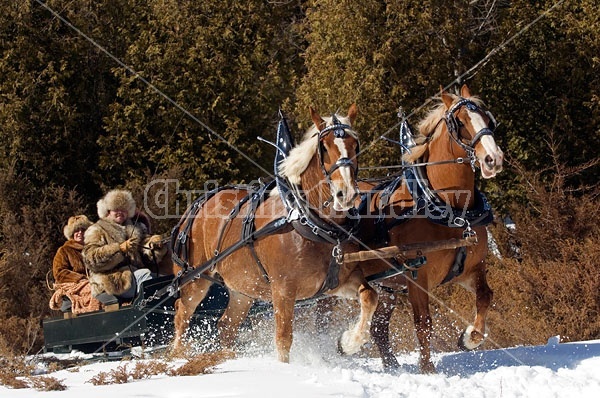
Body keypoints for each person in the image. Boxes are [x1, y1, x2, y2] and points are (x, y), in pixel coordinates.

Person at [82, 189, 165, 301]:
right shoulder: (97, 229)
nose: (120, 212)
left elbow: (145, 246)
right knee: (146, 276)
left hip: (133, 276)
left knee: (164, 280)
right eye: (116, 209)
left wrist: (154, 244)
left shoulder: (134, 229)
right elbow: (90, 259)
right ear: (108, 211)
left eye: (124, 209)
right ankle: (152, 312)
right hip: (110, 281)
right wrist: (119, 248)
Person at [49, 215, 102, 313]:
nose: (80, 233)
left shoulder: (93, 249)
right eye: (77, 230)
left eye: (83, 230)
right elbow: (59, 273)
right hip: (73, 284)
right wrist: (80, 279)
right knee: (95, 289)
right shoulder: (64, 250)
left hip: (94, 281)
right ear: (72, 233)